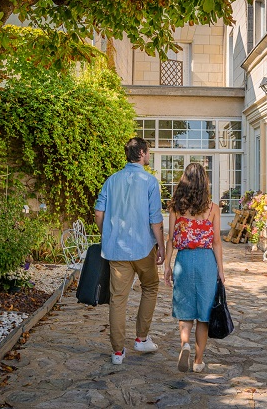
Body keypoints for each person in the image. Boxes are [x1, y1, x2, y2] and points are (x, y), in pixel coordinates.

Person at [94, 137, 165, 365]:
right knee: (151, 286)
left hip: (116, 250)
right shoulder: (150, 182)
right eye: (148, 152)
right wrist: (161, 247)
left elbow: (98, 213)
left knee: (118, 299)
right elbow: (155, 220)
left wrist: (108, 235)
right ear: (142, 153)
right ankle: (141, 338)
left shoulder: (111, 180)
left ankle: (117, 353)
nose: (149, 155)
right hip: (144, 248)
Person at [163, 163, 225, 373]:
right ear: (204, 182)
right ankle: (198, 361)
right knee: (204, 313)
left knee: (185, 309)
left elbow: (171, 239)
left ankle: (185, 345)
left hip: (184, 261)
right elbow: (217, 242)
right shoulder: (213, 208)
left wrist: (167, 266)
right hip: (206, 261)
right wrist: (221, 270)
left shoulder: (175, 208)